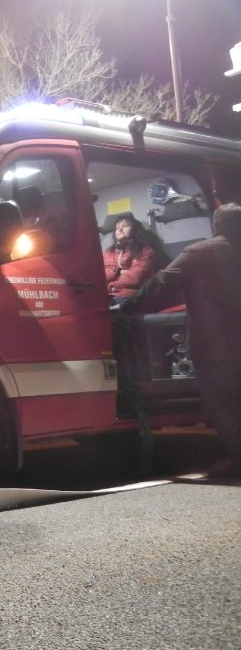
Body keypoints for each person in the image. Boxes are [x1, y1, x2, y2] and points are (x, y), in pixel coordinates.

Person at [116, 202, 241, 477]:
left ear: (216, 225)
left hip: (216, 345)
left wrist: (125, 308)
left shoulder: (200, 252)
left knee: (224, 404)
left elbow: (161, 285)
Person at [104, 214, 157, 304]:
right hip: (107, 296)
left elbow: (135, 278)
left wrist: (111, 285)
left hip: (129, 296)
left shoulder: (145, 252)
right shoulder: (107, 253)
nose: (120, 230)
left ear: (135, 230)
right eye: (117, 228)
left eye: (125, 226)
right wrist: (118, 272)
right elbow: (100, 276)